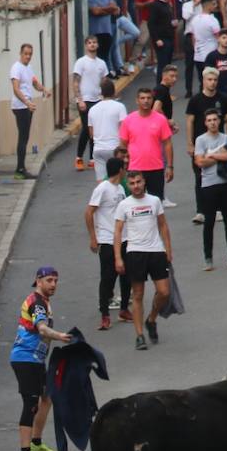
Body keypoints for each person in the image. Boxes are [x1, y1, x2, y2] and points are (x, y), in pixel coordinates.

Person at [8, 267, 71, 451]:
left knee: (47, 396)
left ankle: (35, 443)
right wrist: (60, 336)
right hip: (25, 359)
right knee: (31, 404)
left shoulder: (43, 301)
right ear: (38, 280)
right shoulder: (37, 303)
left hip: (36, 359)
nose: (53, 284)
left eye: (56, 280)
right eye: (49, 280)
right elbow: (42, 328)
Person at [114, 170, 175, 351]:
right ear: (128, 184)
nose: (136, 186)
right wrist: (118, 257)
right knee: (138, 295)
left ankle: (152, 319)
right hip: (135, 253)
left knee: (164, 292)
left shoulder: (154, 201)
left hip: (156, 251)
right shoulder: (124, 205)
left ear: (143, 181)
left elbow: (163, 225)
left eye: (138, 182)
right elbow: (117, 231)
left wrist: (168, 249)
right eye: (132, 183)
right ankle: (139, 336)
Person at [195, 108, 227, 269]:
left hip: (226, 184)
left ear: (219, 121)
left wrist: (212, 155)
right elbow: (200, 162)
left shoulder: (226, 138)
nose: (212, 123)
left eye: (215, 120)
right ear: (205, 123)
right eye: (209, 120)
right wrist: (220, 155)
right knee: (209, 221)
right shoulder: (201, 140)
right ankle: (208, 258)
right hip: (209, 185)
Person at [88, 157, 133, 330]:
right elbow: (89, 212)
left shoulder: (121, 188)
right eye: (125, 167)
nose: (126, 171)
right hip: (107, 239)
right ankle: (105, 314)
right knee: (108, 277)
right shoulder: (102, 188)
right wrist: (94, 237)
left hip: (123, 238)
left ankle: (123, 310)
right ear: (120, 170)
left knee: (126, 275)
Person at [187, 67, 227, 222]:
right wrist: (190, 143)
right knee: (199, 176)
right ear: (203, 80)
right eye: (209, 79)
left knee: (221, 174)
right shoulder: (195, 100)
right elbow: (190, 121)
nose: (212, 82)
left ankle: (219, 209)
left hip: (219, 143)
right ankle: (201, 210)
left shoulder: (224, 99)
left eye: (215, 80)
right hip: (200, 143)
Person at [119, 87, 176, 200]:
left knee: (156, 203)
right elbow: (123, 145)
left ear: (152, 100)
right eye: (142, 98)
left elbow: (168, 144)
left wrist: (170, 166)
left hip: (156, 168)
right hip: (135, 169)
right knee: (134, 204)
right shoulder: (128, 120)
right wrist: (124, 166)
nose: (146, 101)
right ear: (137, 100)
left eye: (149, 98)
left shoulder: (160, 119)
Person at [10, 43, 51, 180]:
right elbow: (16, 89)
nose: (28, 56)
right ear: (21, 54)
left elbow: (34, 82)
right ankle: (20, 170)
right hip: (20, 106)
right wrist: (27, 103)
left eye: (30, 54)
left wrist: (44, 89)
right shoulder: (16, 68)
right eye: (25, 54)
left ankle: (21, 168)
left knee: (25, 137)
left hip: (28, 106)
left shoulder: (29, 67)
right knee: (23, 137)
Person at [74, 36, 111, 169]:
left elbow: (105, 81)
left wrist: (106, 98)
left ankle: (92, 158)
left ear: (98, 45)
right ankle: (79, 157)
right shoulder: (81, 62)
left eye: (94, 42)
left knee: (95, 130)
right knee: (86, 128)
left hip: (98, 100)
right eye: (89, 43)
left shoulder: (101, 63)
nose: (92, 45)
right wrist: (80, 99)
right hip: (85, 100)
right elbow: (76, 81)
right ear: (86, 46)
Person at [89, 79, 129, 180]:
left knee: (101, 181)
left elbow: (91, 134)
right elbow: (124, 129)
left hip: (98, 149)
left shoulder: (92, 109)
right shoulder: (120, 107)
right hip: (115, 148)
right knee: (118, 179)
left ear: (101, 92)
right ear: (114, 91)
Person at [191, 0, 225, 74]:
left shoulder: (195, 19)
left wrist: (196, 50)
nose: (216, 6)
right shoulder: (212, 20)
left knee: (202, 81)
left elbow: (193, 38)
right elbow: (219, 38)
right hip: (212, 55)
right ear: (209, 5)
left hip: (198, 56)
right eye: (214, 4)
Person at [149, 0, 179, 77]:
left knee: (168, 66)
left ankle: (166, 88)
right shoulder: (155, 5)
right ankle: (159, 88)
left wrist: (173, 24)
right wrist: (156, 39)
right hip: (161, 40)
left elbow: (166, 21)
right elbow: (151, 24)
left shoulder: (168, 4)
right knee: (163, 66)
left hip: (169, 38)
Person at [90, 0, 123, 68]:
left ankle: (108, 73)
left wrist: (101, 9)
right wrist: (109, 10)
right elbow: (96, 12)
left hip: (107, 31)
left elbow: (116, 11)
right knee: (98, 56)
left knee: (106, 55)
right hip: (96, 31)